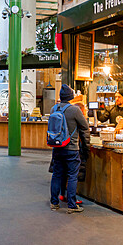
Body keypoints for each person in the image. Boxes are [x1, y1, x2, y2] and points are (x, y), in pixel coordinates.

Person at [50, 84, 90, 213]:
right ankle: (72, 205)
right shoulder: (75, 110)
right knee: (73, 176)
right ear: (71, 97)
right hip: (71, 148)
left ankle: (54, 203)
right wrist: (86, 147)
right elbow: (85, 128)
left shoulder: (53, 109)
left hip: (57, 147)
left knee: (57, 175)